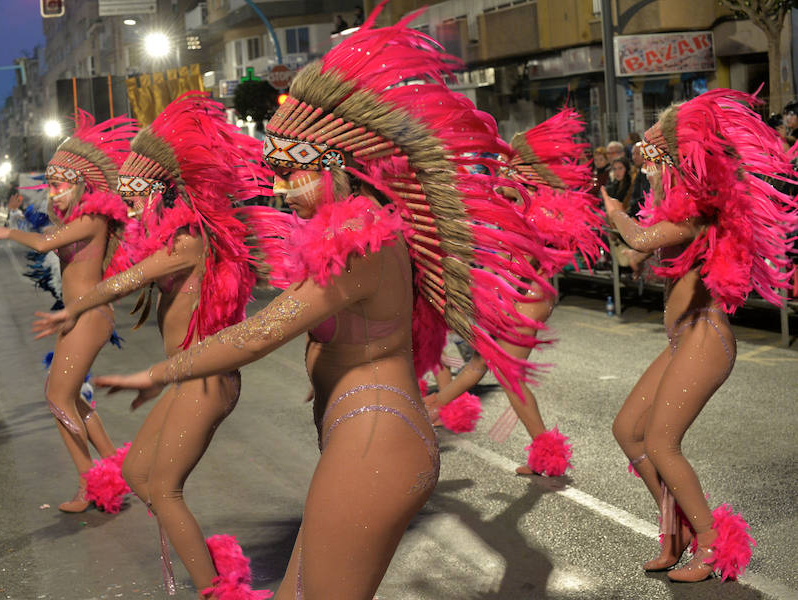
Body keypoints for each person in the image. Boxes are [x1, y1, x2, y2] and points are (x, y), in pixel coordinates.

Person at [90, 10, 553, 599]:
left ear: (335, 162)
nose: (280, 189)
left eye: (290, 171)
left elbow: (260, 335)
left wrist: (161, 371)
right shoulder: (352, 236)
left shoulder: (364, 243)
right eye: (274, 173)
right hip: (359, 437)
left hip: (376, 441)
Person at [33, 93, 275, 598]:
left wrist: (72, 308)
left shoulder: (186, 243)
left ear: (164, 190)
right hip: (186, 379)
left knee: (163, 488)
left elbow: (123, 283)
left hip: (206, 379)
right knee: (136, 473)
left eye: (138, 192)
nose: (131, 201)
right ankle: (216, 571)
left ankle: (218, 589)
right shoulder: (167, 237)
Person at [607, 90, 796, 582]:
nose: (647, 164)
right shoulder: (676, 205)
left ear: (677, 155)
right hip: (682, 338)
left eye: (655, 156)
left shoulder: (698, 206)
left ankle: (711, 546)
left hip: (706, 339)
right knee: (628, 431)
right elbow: (636, 254)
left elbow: (640, 240)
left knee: (663, 442)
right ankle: (676, 532)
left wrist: (612, 210)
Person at [424, 109, 606, 477]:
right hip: (522, 291)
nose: (507, 170)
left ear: (530, 168)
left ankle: (437, 408)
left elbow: (500, 203)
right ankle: (444, 409)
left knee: (498, 369)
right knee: (491, 367)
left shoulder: (534, 204)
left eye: (515, 163)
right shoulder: (530, 201)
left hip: (530, 295)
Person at [0, 111, 138, 513]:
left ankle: (91, 482)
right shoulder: (78, 218)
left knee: (58, 398)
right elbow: (49, 233)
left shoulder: (93, 217)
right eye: (50, 186)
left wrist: (8, 231)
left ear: (78, 184)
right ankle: (115, 470)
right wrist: (23, 216)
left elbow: (41, 244)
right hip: (78, 315)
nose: (53, 193)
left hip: (90, 315)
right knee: (68, 397)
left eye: (58, 186)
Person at [628, 142, 651, 217]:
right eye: (633, 154)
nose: (634, 157)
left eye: (638, 154)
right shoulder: (640, 171)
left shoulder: (649, 173)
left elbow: (645, 198)